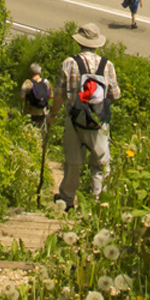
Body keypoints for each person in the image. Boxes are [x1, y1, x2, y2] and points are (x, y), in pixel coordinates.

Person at [49, 22, 121, 211]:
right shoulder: (107, 65)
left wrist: (52, 115)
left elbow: (59, 94)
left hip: (75, 119)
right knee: (100, 164)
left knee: (73, 162)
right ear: (97, 43)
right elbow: (115, 94)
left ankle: (67, 200)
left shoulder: (69, 63)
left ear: (79, 42)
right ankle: (98, 202)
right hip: (98, 122)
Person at [20, 62, 51, 126]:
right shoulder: (46, 82)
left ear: (31, 73)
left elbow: (21, 96)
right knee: (42, 129)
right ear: (40, 72)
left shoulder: (28, 83)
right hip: (43, 112)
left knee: (30, 128)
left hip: (31, 112)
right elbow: (51, 95)